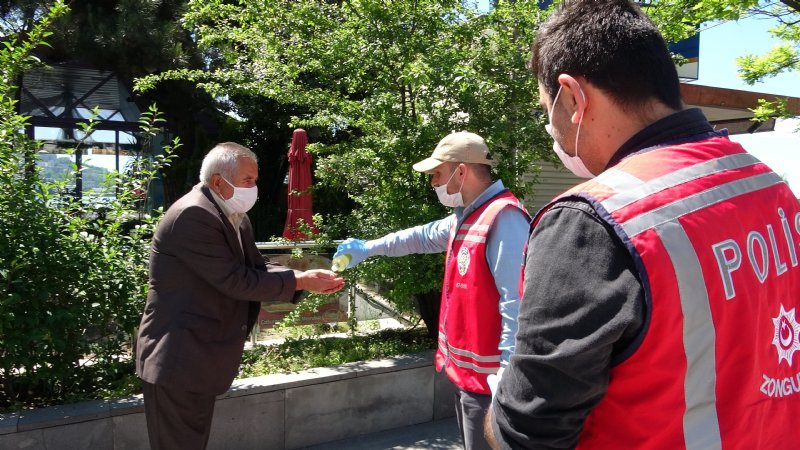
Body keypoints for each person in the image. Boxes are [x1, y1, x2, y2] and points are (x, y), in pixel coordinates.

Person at [486, 1, 800, 449]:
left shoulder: (591, 221)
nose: (549, 129)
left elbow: (528, 431)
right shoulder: (769, 184)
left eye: (545, 110)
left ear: (573, 97)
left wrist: (499, 413)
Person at [136, 142, 345, 449]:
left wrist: (306, 278)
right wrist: (300, 281)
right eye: (249, 180)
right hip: (178, 357)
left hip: (198, 355)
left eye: (255, 180)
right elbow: (234, 280)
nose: (255, 188)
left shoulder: (233, 214)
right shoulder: (193, 214)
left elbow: (256, 268)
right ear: (219, 181)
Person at [335, 131, 530, 450]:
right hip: (470, 380)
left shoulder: (503, 219)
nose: (433, 183)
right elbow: (419, 237)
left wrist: (508, 385)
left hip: (492, 387)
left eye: (437, 174)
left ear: (461, 171)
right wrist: (368, 248)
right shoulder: (467, 218)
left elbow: (517, 306)